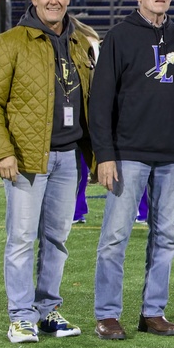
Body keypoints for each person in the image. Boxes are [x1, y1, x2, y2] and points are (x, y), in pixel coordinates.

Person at [87, 0, 174, 340]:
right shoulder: (119, 37)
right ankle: (107, 314)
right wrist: (104, 155)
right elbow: (100, 101)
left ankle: (153, 311)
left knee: (166, 237)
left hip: (172, 156)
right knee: (115, 237)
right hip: (128, 155)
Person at [0, 0, 92, 343]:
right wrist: (2, 153)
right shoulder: (9, 42)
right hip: (25, 159)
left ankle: (47, 311)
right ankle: (20, 316)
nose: (54, 1)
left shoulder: (79, 43)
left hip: (67, 157)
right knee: (22, 239)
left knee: (57, 239)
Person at [72, 20, 101, 225]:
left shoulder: (86, 42)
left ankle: (75, 208)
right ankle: (77, 208)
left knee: (77, 162)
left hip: (83, 108)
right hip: (84, 108)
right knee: (80, 161)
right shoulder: (90, 40)